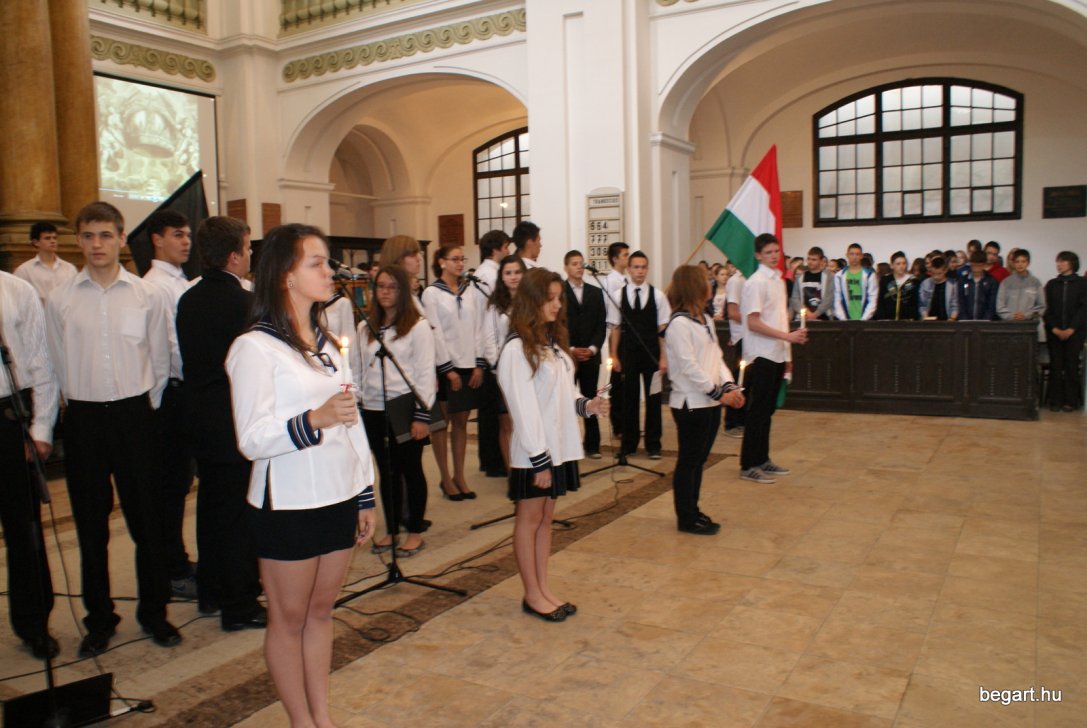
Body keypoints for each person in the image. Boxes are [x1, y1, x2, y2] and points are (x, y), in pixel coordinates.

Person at [226, 223, 376, 728]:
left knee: (321, 611)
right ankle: (300, 720)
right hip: (287, 502)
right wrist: (312, 420)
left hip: (337, 493)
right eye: (317, 262)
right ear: (285, 276)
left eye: (327, 261)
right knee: (288, 618)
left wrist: (364, 493)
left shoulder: (329, 344)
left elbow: (352, 424)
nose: (329, 271)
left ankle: (322, 715)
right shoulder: (255, 348)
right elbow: (251, 438)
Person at [44, 201, 179, 655]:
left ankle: (155, 613)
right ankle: (99, 619)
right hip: (84, 418)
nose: (96, 244)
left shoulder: (146, 294)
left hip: (134, 416)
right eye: (88, 236)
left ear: (122, 238)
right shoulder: (61, 299)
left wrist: (146, 408)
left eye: (105, 235)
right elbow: (56, 360)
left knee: (147, 520)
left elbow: (159, 359)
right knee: (90, 526)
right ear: (78, 241)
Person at [497, 268, 608, 621]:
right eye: (551, 298)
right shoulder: (516, 349)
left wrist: (587, 405)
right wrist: (539, 458)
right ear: (532, 300)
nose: (558, 305)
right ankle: (532, 594)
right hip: (535, 452)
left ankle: (543, 588)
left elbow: (564, 393)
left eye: (559, 298)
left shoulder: (551, 343)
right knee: (529, 519)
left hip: (557, 447)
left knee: (546, 519)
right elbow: (523, 408)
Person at [176, 216, 265, 631]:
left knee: (211, 508)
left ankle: (210, 590)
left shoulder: (188, 299)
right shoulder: (244, 303)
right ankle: (239, 604)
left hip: (199, 417)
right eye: (247, 248)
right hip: (234, 418)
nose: (249, 255)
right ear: (233, 256)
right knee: (237, 516)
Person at [355, 265, 435, 557]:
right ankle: (391, 529)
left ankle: (414, 531)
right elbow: (357, 369)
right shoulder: (365, 327)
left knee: (410, 469)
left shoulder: (418, 326)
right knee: (386, 471)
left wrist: (422, 415)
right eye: (380, 286)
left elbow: (425, 373)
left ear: (403, 291)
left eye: (392, 287)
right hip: (373, 408)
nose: (385, 292)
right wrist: (356, 400)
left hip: (404, 407)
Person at [0, 271, 60, 658]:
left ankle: (34, 622)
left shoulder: (15, 290)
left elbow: (41, 362)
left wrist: (41, 428)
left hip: (9, 417)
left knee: (24, 529)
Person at [142, 209, 198, 600]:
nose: (186, 241)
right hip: (170, 395)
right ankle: (172, 569)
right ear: (157, 239)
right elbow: (169, 347)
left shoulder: (181, 282)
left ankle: (177, 560)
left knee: (180, 485)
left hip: (183, 392)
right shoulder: (155, 287)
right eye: (177, 234)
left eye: (188, 235)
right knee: (169, 488)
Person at [664, 266, 745, 535]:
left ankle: (694, 510)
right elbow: (689, 366)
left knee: (699, 460)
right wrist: (718, 393)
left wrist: (729, 385)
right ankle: (686, 517)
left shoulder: (705, 319)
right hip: (690, 402)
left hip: (709, 402)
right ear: (693, 287)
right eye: (704, 282)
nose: (709, 285)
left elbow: (716, 357)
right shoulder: (679, 324)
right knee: (689, 461)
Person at [378, 235, 461, 498]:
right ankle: (404, 511)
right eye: (413, 254)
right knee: (400, 463)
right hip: (399, 388)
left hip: (415, 385)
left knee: (410, 460)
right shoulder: (396, 298)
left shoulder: (412, 295)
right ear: (399, 258)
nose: (419, 258)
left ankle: (409, 511)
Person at [739, 234, 808, 484]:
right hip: (761, 354)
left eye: (776, 251)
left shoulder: (778, 280)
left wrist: (787, 353)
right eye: (768, 252)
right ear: (758, 255)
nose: (774, 256)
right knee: (757, 411)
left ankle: (762, 458)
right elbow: (753, 322)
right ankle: (748, 464)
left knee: (768, 410)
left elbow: (780, 319)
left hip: (777, 352)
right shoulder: (756, 282)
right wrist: (787, 337)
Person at [422, 243, 487, 499]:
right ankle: (445, 477)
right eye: (455, 259)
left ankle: (460, 475)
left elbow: (479, 328)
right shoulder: (432, 293)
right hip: (445, 366)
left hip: (468, 363)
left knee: (461, 422)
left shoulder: (471, 291)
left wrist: (479, 364)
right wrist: (447, 369)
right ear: (441, 262)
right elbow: (435, 332)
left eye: (462, 259)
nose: (460, 264)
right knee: (442, 424)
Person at [608, 251, 670, 459]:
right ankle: (629, 444)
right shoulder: (618, 295)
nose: (640, 271)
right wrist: (614, 355)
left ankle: (653, 445)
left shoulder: (658, 296)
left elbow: (662, 329)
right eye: (636, 267)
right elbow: (615, 328)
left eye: (643, 267)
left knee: (653, 400)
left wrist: (663, 358)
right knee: (629, 399)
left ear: (647, 269)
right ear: (629, 269)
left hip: (651, 355)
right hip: (628, 355)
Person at [473, 230, 511, 478]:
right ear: (496, 248)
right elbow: (487, 319)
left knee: (491, 411)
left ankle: (492, 459)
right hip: (491, 351)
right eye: (506, 247)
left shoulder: (485, 273)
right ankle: (494, 460)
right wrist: (492, 358)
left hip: (490, 350)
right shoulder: (489, 275)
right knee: (493, 412)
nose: (508, 251)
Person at [484, 255, 527, 468]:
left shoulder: (532, 301)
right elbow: (489, 339)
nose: (513, 277)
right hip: (505, 371)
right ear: (501, 277)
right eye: (508, 273)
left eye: (517, 272)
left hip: (530, 369)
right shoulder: (495, 305)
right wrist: (500, 368)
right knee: (507, 422)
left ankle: (529, 468)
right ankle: (513, 473)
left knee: (526, 422)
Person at [563, 250, 607, 459]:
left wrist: (592, 349)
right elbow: (558, 326)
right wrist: (570, 349)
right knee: (567, 398)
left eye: (581, 263)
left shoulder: (595, 292)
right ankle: (568, 443)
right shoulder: (560, 292)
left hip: (590, 355)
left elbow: (601, 325)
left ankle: (593, 444)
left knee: (590, 396)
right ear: (566, 268)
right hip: (568, 355)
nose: (579, 267)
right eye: (574, 263)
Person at [1043, 251, 1087, 412]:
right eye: (1058, 262)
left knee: (1071, 366)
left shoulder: (1082, 284)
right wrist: (1054, 328)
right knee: (1056, 365)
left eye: (1063, 261)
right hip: (1054, 333)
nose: (1059, 264)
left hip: (1075, 333)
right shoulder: (1052, 284)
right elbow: (1046, 309)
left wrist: (1071, 328)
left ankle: (1071, 401)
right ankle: (1055, 400)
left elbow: (1083, 309)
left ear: (1072, 263)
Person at [601, 241, 630, 437]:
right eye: (625, 255)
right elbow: (612, 313)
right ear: (615, 259)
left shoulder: (626, 279)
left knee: (627, 381)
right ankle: (618, 424)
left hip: (628, 333)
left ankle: (627, 422)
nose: (628, 258)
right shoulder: (611, 281)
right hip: (617, 331)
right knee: (618, 381)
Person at [13, 221, 77, 303]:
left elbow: (76, 295)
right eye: (47, 238)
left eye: (55, 238)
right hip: (39, 310)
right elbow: (17, 297)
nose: (53, 241)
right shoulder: (24, 270)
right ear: (36, 242)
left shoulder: (70, 268)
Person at [723, 262, 747, 438]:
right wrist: (755, 324)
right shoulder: (736, 281)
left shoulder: (751, 279)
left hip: (754, 337)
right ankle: (732, 421)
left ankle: (744, 419)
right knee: (739, 378)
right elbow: (732, 313)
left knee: (749, 381)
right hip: (743, 336)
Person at [996, 248, 1046, 326]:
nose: (1020, 264)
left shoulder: (1035, 283)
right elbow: (1000, 307)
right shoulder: (1005, 283)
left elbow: (1041, 307)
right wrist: (1012, 316)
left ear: (1028, 263)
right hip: (1009, 325)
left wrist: (1027, 315)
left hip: (1029, 326)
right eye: (1017, 261)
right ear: (1013, 263)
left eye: (1023, 261)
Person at [833, 243, 878, 320]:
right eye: (852, 254)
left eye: (857, 254)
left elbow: (873, 299)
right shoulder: (839, 276)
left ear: (861, 256)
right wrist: (843, 319)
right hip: (844, 320)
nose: (854, 257)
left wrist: (864, 319)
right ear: (847, 255)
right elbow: (837, 299)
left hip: (865, 320)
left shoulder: (869, 275)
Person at [789, 246, 835, 322]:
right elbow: (795, 298)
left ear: (821, 261)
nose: (810, 262)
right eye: (808, 259)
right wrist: (806, 312)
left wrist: (816, 314)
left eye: (814, 259)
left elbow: (829, 298)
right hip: (804, 318)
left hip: (823, 318)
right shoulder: (800, 277)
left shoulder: (828, 277)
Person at [875, 251, 921, 320]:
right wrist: (881, 318)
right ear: (892, 265)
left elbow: (915, 302)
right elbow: (881, 301)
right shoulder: (886, 280)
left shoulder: (913, 281)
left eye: (904, 263)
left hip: (907, 320)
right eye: (898, 264)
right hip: (888, 320)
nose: (901, 266)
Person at [958, 250, 999, 321]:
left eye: (979, 266)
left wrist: (985, 320)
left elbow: (991, 304)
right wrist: (964, 320)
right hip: (965, 321)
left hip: (985, 322)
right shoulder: (963, 280)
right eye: (974, 265)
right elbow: (961, 302)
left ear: (984, 265)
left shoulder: (991, 281)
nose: (976, 268)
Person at [919, 256, 960, 320]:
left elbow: (955, 305)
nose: (936, 277)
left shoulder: (952, 285)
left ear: (945, 270)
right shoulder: (925, 284)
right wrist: (925, 316)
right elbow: (922, 304)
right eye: (933, 273)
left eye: (939, 274)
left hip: (948, 320)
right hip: (930, 320)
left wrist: (952, 318)